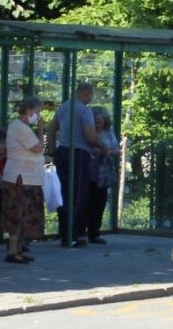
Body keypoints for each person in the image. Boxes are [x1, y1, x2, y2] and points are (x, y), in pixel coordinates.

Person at [47, 82, 102, 247]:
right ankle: (72, 235)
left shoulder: (64, 107)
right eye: (91, 94)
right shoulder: (85, 111)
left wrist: (52, 151)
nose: (91, 98)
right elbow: (90, 136)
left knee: (63, 193)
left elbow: (51, 130)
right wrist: (103, 146)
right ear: (87, 93)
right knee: (77, 195)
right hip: (78, 154)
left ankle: (64, 232)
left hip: (62, 151)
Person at [2, 96, 46, 264]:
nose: (38, 116)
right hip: (19, 178)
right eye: (37, 112)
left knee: (26, 214)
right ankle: (13, 251)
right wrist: (42, 130)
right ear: (29, 111)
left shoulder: (23, 128)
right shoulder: (19, 127)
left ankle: (19, 249)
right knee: (18, 213)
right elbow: (38, 148)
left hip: (28, 178)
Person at [85, 108, 120, 244]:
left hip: (103, 174)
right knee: (86, 203)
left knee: (100, 203)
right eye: (96, 122)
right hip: (89, 173)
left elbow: (117, 150)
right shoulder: (87, 134)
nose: (98, 125)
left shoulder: (109, 133)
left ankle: (95, 233)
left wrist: (108, 152)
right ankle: (82, 232)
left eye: (101, 122)